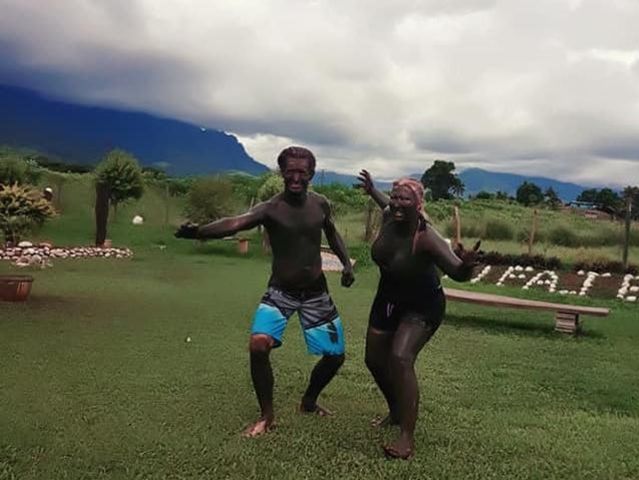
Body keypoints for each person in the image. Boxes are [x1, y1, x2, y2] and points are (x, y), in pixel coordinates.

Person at [175, 146, 355, 437]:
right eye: (290, 171)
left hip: (316, 292)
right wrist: (199, 232)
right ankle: (267, 416)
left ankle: (309, 402)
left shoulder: (320, 204)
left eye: (302, 172)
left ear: (311, 173)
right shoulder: (271, 208)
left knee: (335, 357)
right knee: (259, 345)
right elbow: (235, 222)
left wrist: (347, 264)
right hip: (280, 291)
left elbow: (331, 232)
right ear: (282, 172)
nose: (296, 177)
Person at [357, 170, 481, 459]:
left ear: (419, 205)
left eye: (406, 200)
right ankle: (396, 411)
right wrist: (374, 190)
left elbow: (458, 274)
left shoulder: (426, 238)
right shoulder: (390, 214)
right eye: (395, 197)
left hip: (422, 305)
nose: (398, 203)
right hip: (388, 299)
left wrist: (467, 266)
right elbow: (386, 203)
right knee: (374, 360)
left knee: (400, 358)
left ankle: (406, 438)